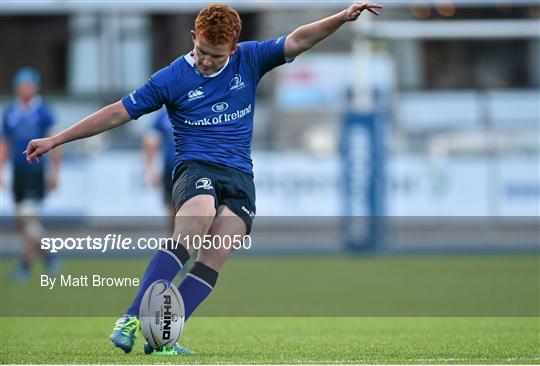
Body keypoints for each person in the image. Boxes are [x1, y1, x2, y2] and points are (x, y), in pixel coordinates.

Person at [23, 2, 383, 355]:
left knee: (215, 256)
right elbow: (118, 112)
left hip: (240, 176)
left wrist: (341, 16)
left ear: (234, 48)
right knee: (197, 220)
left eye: (217, 56)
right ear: (193, 37)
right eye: (201, 51)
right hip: (196, 167)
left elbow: (300, 39)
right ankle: (131, 318)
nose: (207, 60)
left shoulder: (251, 59)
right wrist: (56, 139)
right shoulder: (171, 78)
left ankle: (163, 336)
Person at [1, 67, 61, 282]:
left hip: (35, 171)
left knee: (28, 217)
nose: (25, 88)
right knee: (23, 221)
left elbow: (54, 142)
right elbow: (4, 144)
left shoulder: (43, 110)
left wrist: (54, 171)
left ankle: (26, 266)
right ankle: (48, 256)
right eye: (22, 84)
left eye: (29, 84)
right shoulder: (10, 112)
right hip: (17, 173)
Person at [142, 108, 176, 229]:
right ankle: (177, 244)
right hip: (171, 169)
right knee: (172, 210)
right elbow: (151, 141)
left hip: (197, 168)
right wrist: (150, 171)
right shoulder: (164, 115)